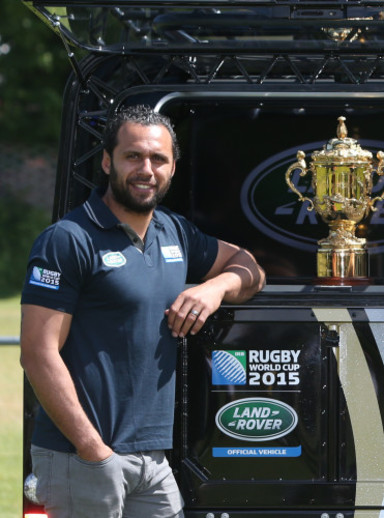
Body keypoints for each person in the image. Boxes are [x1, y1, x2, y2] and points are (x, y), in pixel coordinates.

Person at [20, 105, 266, 518]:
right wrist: (93, 450)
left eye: (158, 159)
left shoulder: (175, 232)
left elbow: (251, 268)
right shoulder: (67, 240)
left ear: (172, 168)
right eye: (133, 155)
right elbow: (37, 353)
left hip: (151, 460)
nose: (145, 169)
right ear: (106, 161)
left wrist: (215, 288)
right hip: (80, 456)